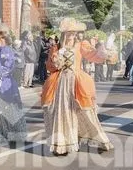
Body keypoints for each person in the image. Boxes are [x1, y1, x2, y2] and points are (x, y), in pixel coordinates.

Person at [41, 18, 112, 156]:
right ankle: (62, 144)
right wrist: (55, 63)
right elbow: (50, 67)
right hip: (61, 82)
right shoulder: (56, 48)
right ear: (63, 34)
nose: (71, 36)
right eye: (68, 33)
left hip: (76, 81)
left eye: (73, 33)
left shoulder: (81, 46)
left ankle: (100, 140)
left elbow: (93, 55)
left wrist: (104, 52)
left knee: (83, 111)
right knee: (61, 112)